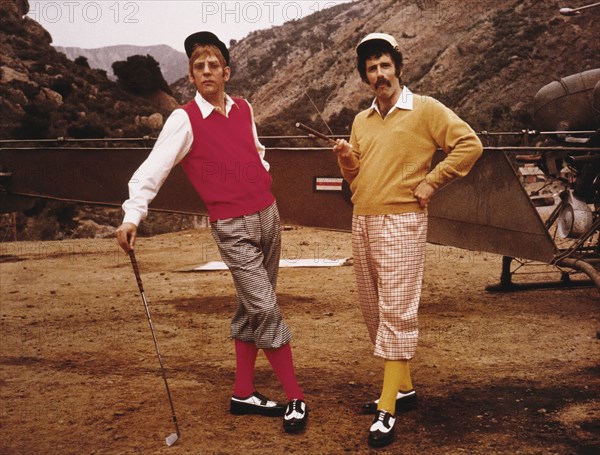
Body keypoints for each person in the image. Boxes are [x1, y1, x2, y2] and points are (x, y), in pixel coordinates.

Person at [115, 31, 308, 433]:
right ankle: (295, 396)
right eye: (198, 67)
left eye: (213, 65)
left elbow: (257, 152)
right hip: (231, 225)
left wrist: (261, 178)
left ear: (226, 72)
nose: (206, 71)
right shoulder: (183, 119)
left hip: (267, 215)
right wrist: (133, 215)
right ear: (190, 76)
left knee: (251, 307)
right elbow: (153, 169)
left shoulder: (243, 108)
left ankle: (242, 392)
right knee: (265, 307)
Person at [332, 33, 483, 448]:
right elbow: (358, 178)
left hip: (402, 222)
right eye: (371, 68)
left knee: (396, 310)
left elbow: (470, 144)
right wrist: (347, 161)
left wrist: (432, 181)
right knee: (374, 310)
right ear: (364, 76)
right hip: (362, 220)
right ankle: (404, 389)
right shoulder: (362, 120)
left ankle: (387, 407)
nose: (379, 74)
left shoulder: (426, 109)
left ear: (398, 66)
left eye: (384, 65)